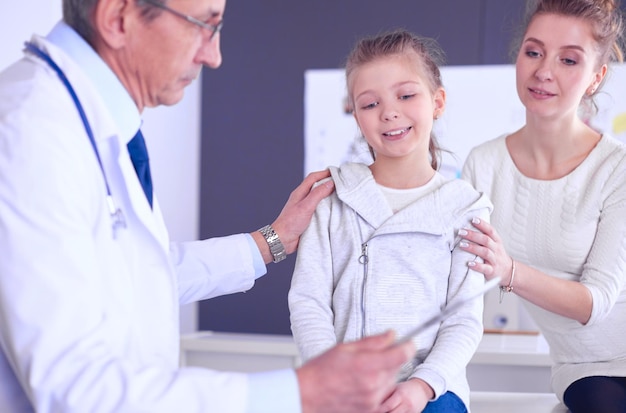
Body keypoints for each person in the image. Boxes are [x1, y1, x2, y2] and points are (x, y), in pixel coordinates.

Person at [0, 1, 417, 412]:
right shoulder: (28, 134)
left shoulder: (92, 123)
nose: (213, 56)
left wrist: (273, 239)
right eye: (202, 24)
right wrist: (299, 394)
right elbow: (73, 389)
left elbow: (138, 272)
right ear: (118, 18)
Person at [288, 29, 493, 413]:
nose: (389, 112)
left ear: (438, 102)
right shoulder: (332, 199)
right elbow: (309, 302)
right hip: (345, 390)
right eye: (369, 104)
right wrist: (332, 378)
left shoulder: (465, 207)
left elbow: (463, 320)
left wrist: (420, 386)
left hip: (432, 392)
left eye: (406, 95)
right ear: (355, 114)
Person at [459, 0, 626, 411]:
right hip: (586, 367)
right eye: (533, 52)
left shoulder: (616, 168)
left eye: (569, 60)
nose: (544, 71)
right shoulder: (484, 165)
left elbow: (596, 301)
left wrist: (509, 271)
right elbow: (455, 280)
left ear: (595, 77)